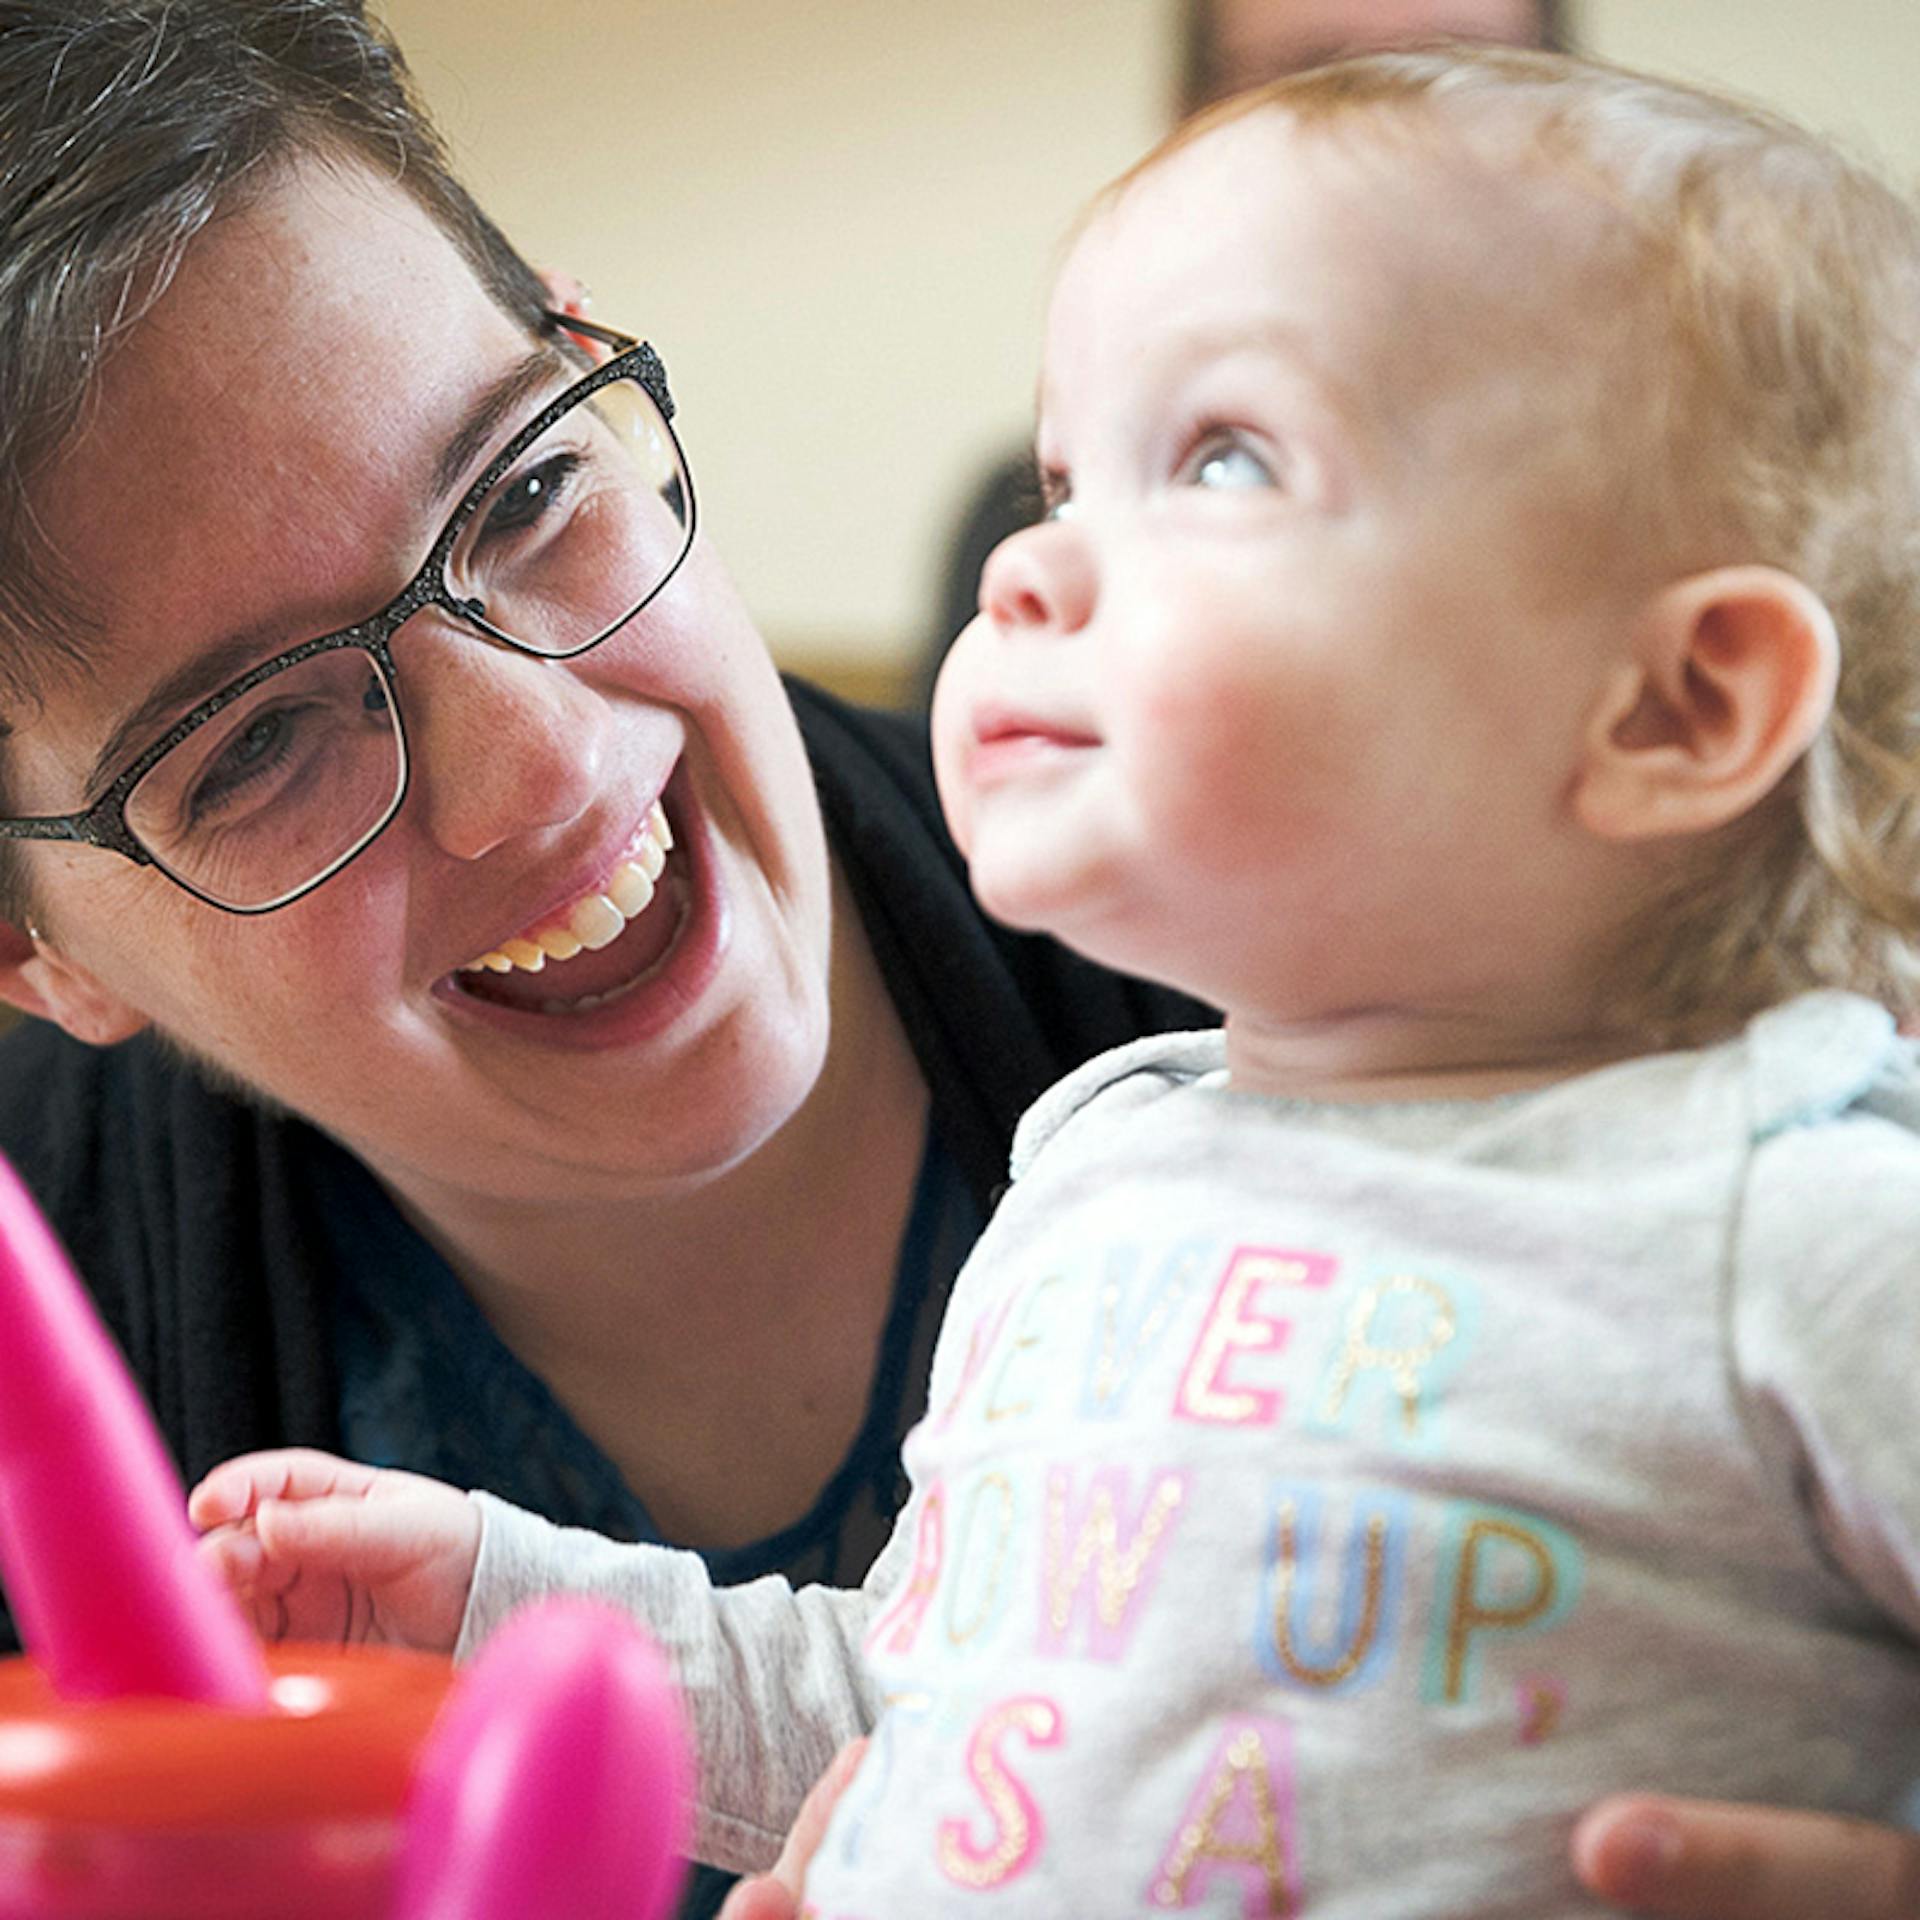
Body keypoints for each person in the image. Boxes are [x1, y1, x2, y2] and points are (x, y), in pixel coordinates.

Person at [191, 42, 1920, 1920]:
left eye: (1225, 457)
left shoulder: (1795, 1226)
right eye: (1064, 475)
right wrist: (505, 1609)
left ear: (1676, 708)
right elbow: (907, 1696)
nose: (1029, 570)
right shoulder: (1097, 1178)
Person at [916, 0, 1566, 709]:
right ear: (1188, 120)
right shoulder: (1025, 520)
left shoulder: (1671, 493)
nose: (1389, 131)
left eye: (1459, 76)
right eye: (1316, 80)